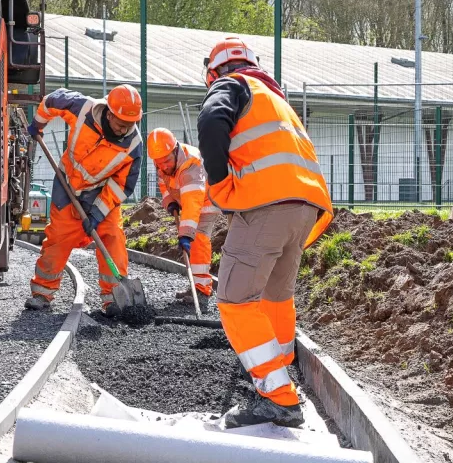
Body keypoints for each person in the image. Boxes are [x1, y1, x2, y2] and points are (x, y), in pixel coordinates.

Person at [196, 36, 333, 427]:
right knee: (276, 295)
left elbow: (210, 122)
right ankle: (278, 370)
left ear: (214, 70)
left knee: (235, 298)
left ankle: (277, 397)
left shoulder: (233, 84)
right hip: (305, 206)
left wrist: (221, 183)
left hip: (265, 205)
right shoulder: (276, 100)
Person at [24, 84, 143, 317]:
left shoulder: (133, 146)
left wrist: (98, 213)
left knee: (113, 239)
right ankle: (42, 292)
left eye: (130, 125)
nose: (124, 130)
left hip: (101, 192)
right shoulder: (82, 109)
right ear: (109, 112)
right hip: (67, 182)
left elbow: (122, 186)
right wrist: (39, 123)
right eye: (121, 124)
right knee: (59, 238)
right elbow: (52, 100)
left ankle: (113, 298)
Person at [146, 128, 219, 307]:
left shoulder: (191, 164)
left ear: (175, 150)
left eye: (166, 161)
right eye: (158, 163)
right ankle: (196, 285)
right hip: (187, 202)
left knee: (198, 240)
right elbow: (164, 184)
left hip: (206, 200)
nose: (163, 167)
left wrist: (186, 234)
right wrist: (170, 202)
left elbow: (193, 203)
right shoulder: (163, 162)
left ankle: (202, 291)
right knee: (192, 243)